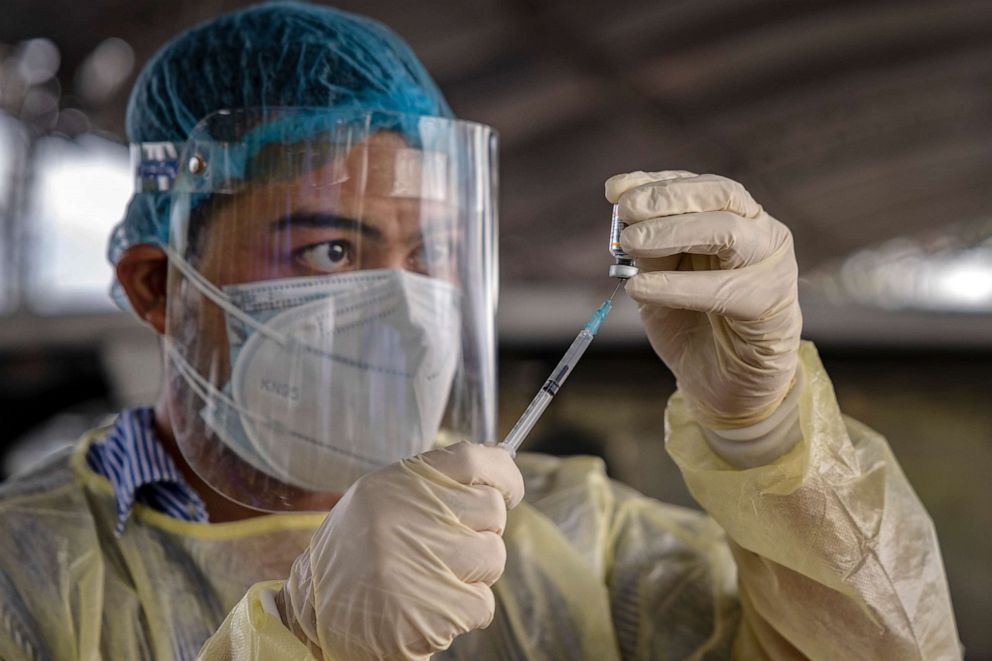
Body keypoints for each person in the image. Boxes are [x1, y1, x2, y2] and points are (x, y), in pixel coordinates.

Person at [0, 3, 961, 659]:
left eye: (437, 255)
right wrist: (301, 635)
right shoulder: (29, 572)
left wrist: (766, 432)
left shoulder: (574, 535)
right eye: (332, 253)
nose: (408, 306)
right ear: (159, 286)